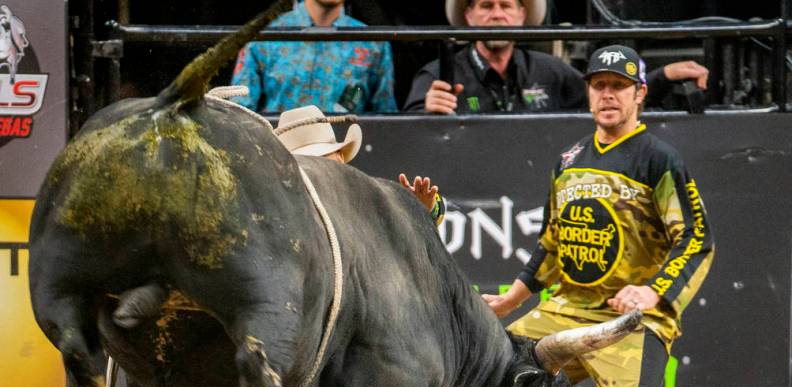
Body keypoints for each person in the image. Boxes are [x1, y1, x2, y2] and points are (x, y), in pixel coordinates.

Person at [482, 44, 715, 387]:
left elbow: (696, 238)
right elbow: (552, 244)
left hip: (632, 322)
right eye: (599, 85)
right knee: (490, 385)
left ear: (640, 93)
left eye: (619, 86)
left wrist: (651, 292)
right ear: (588, 92)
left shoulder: (659, 159)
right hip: (565, 310)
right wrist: (511, 300)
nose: (607, 94)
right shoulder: (569, 160)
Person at [403, 0, 709, 114]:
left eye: (506, 6)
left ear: (522, 15)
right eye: (486, 5)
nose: (497, 15)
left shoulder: (550, 70)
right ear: (468, 15)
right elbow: (405, 136)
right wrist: (425, 115)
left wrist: (663, 76)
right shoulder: (439, 75)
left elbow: (603, 101)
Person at [275, 103, 446, 223]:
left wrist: (420, 208)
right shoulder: (279, 215)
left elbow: (429, 216)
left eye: (323, 158)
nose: (317, 170)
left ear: (339, 158)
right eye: (306, 162)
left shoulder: (365, 198)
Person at [229, 0, 397, 115]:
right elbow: (238, 112)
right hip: (277, 154)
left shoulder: (372, 43)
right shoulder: (263, 38)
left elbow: (385, 117)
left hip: (343, 156)